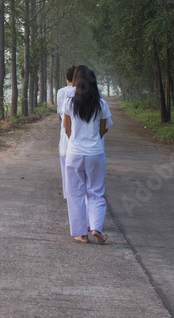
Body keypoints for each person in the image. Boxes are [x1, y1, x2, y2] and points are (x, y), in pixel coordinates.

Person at [63, 64, 112, 244]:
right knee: (96, 191)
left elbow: (67, 129)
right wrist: (92, 142)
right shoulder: (102, 105)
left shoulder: (69, 103)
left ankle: (80, 233)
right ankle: (96, 227)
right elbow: (103, 129)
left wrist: (77, 141)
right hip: (95, 153)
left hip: (74, 153)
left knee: (75, 192)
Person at [55, 65, 76, 199]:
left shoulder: (61, 92)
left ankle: (68, 194)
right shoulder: (83, 91)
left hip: (65, 131)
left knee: (65, 165)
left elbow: (59, 114)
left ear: (66, 78)